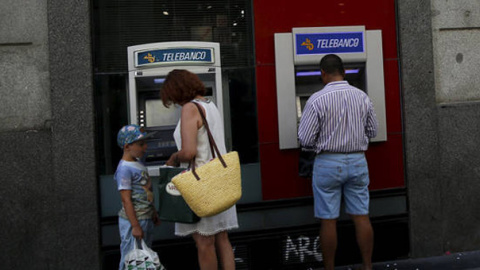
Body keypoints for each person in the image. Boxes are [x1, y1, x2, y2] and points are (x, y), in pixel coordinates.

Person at [298, 54, 378, 270]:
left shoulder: (316, 99)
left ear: (323, 73)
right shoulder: (362, 96)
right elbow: (373, 130)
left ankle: (330, 268)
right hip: (357, 160)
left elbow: (305, 139)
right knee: (361, 216)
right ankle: (367, 266)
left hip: (327, 163)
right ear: (344, 71)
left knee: (328, 219)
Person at [161, 69, 238, 270]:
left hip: (201, 185)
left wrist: (173, 158)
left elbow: (188, 152)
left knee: (204, 243)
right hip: (219, 181)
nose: (174, 103)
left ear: (177, 91)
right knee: (222, 240)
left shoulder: (190, 108)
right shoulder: (210, 105)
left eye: (172, 97)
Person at [114, 124, 161, 270]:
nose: (145, 147)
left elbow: (147, 192)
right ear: (127, 146)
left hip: (144, 218)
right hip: (133, 221)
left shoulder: (138, 163)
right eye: (141, 144)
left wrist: (152, 212)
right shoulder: (124, 169)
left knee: (143, 257)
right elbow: (126, 199)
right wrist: (135, 226)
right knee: (130, 256)